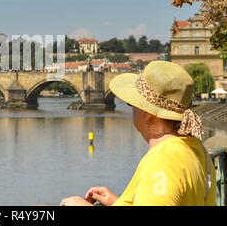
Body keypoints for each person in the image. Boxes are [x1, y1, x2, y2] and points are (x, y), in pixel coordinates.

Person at [60, 61, 216, 206]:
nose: (132, 109)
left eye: (132, 103)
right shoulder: (198, 150)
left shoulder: (161, 162)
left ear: (149, 113)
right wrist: (120, 203)